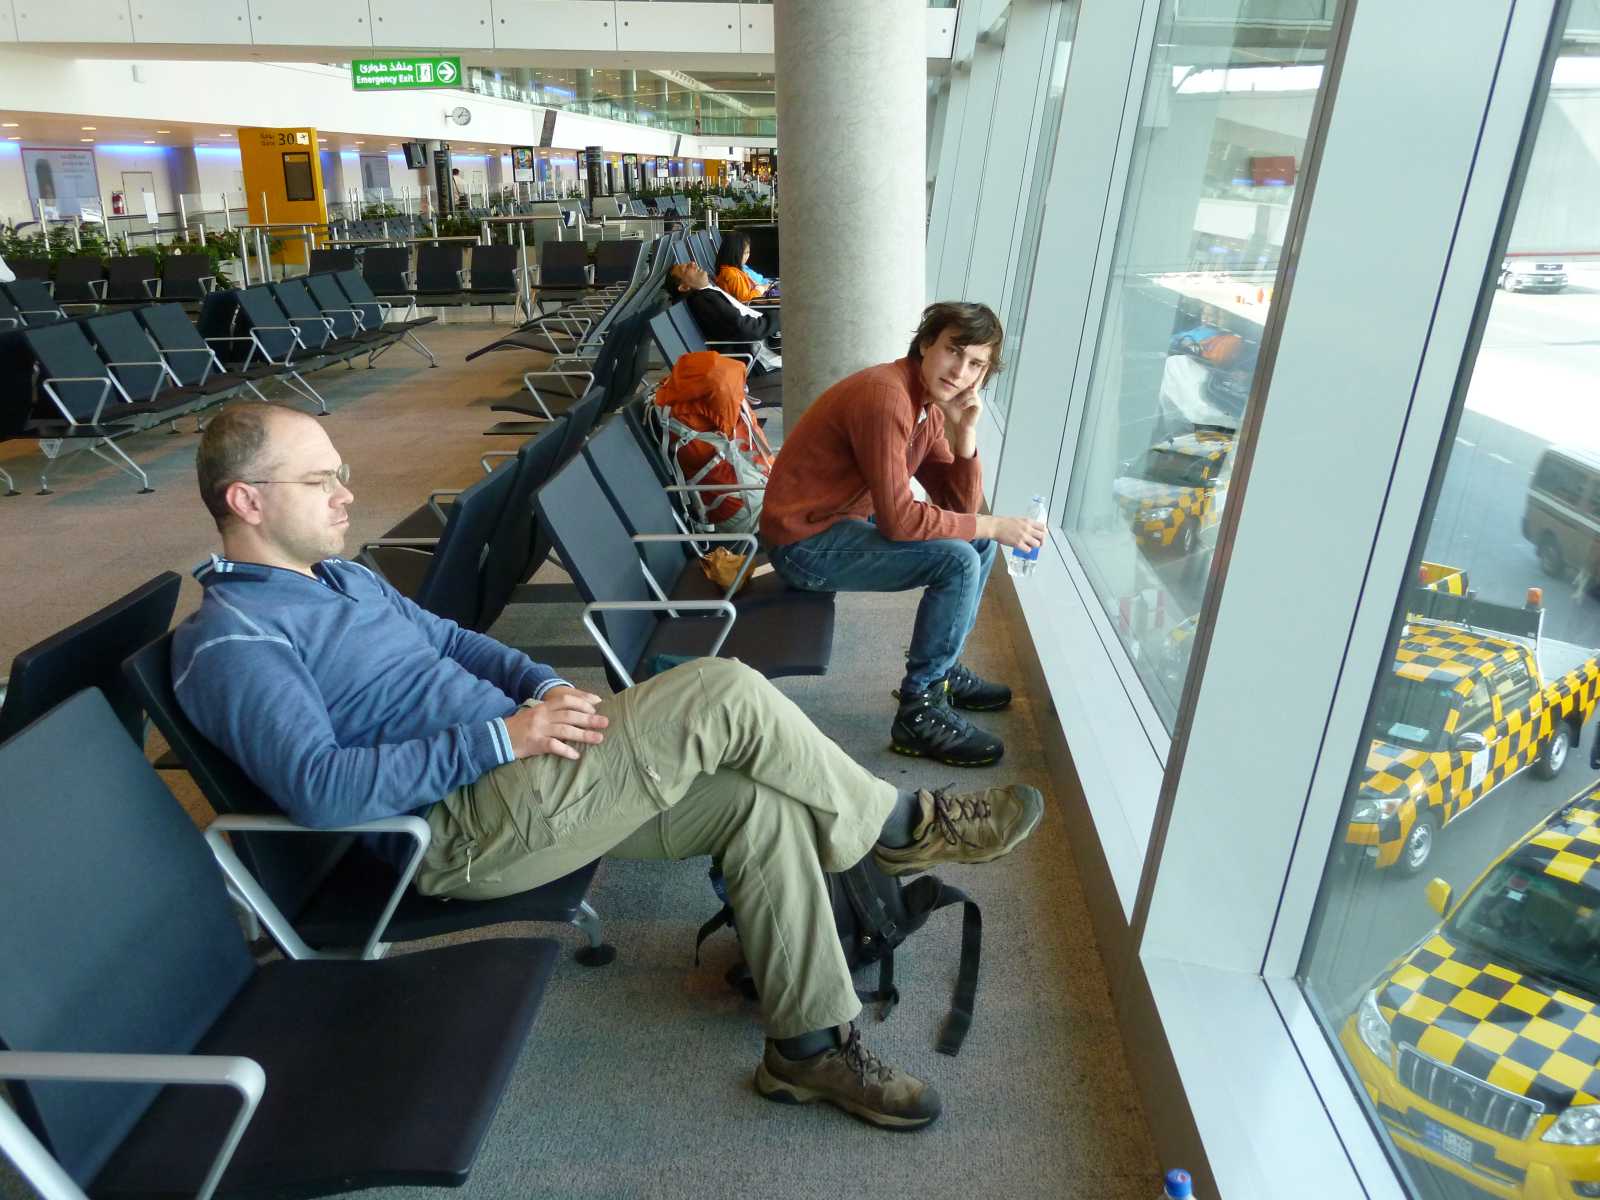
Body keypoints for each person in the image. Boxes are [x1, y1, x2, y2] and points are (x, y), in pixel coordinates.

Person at [171, 403, 1044, 1131]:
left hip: (528, 775)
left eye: (341, 473)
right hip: (457, 828)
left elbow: (455, 642)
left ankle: (807, 1050)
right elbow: (320, 790)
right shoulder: (234, 641)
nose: (346, 494)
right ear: (247, 499)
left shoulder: (341, 579)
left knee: (758, 802)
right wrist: (503, 739)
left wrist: (544, 684)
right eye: (319, 480)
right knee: (723, 692)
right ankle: (900, 826)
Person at [761, 302, 1047, 767]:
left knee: (975, 543)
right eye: (954, 351)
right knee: (957, 560)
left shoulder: (927, 408)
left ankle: (943, 670)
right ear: (926, 344)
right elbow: (899, 519)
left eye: (976, 364)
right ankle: (920, 708)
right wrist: (993, 524)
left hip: (842, 522)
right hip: (803, 543)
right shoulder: (886, 397)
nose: (960, 371)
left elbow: (959, 509)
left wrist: (964, 435)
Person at [666, 260, 781, 372]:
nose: (692, 263)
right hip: (762, 353)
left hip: (766, 338)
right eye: (686, 268)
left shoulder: (706, 294)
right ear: (684, 287)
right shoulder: (704, 301)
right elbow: (747, 329)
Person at [713, 231, 771, 304]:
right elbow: (745, 301)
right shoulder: (732, 275)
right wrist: (760, 289)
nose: (747, 256)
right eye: (745, 252)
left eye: (748, 252)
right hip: (755, 307)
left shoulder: (731, 270)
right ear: (735, 253)